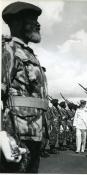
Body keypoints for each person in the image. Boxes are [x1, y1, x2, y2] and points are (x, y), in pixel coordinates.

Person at [1, 1, 48, 173]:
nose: (38, 24)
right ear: (16, 22)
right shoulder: (8, 49)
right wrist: (2, 136)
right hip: (14, 134)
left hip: (33, 133)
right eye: (32, 19)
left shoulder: (28, 54)